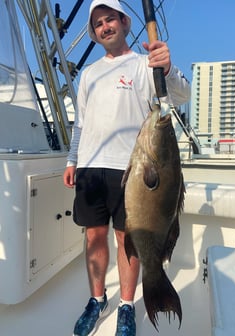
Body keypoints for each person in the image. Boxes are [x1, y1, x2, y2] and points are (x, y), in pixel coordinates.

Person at [63, 1, 190, 335]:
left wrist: (168, 66)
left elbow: (180, 95)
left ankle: (126, 305)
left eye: (110, 19)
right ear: (95, 32)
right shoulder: (88, 74)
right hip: (90, 168)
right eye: (99, 23)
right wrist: (71, 160)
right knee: (94, 237)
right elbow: (80, 125)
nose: (105, 27)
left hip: (131, 170)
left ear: (124, 22)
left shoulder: (143, 64)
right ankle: (96, 299)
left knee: (127, 240)